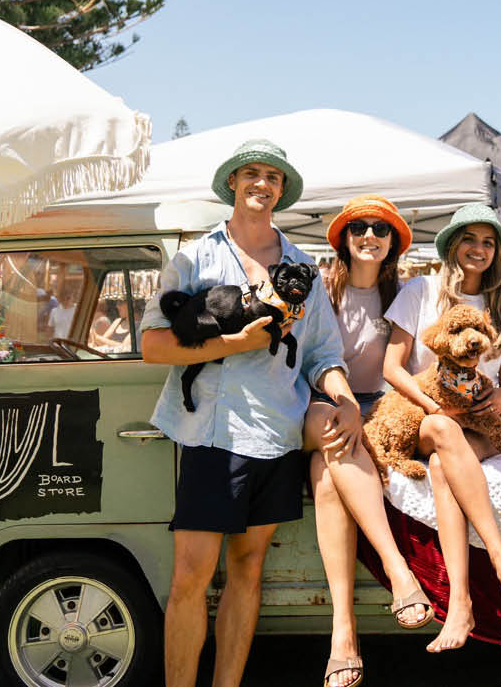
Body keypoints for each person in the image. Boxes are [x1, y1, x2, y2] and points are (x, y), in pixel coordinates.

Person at [139, 139, 361, 687]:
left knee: (247, 570)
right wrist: (230, 345)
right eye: (252, 174)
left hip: (277, 436)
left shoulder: (302, 267)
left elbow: (322, 354)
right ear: (234, 183)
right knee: (191, 577)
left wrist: (346, 399)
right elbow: (152, 346)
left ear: (281, 190)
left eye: (273, 177)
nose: (262, 183)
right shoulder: (195, 258)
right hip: (212, 436)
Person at [383, 203, 501, 652]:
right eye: (470, 239)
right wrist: (433, 406)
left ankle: (461, 606)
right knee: (445, 436)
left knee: (443, 470)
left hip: (478, 424)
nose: (479, 249)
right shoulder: (419, 291)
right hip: (427, 419)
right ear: (451, 245)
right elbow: (393, 368)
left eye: (489, 243)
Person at [304, 195, 434, 687]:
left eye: (381, 230)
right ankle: (399, 573)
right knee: (336, 436)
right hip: (322, 405)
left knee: (325, 481)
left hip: (381, 408)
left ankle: (343, 633)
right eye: (359, 227)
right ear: (343, 238)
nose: (370, 236)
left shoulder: (403, 297)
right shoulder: (320, 291)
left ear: (393, 244)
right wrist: (344, 404)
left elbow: (414, 368)